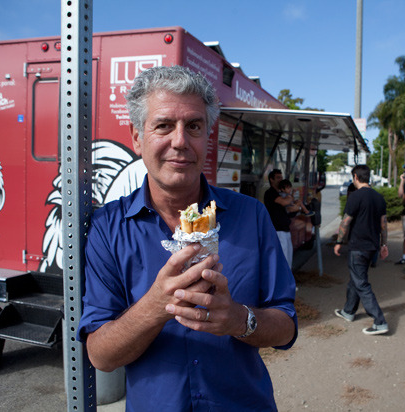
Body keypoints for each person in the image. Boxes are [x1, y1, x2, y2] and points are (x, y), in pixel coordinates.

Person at [78, 66, 297, 411]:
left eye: (193, 126)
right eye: (164, 125)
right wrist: (154, 306)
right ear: (136, 137)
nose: (180, 141)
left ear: (207, 137)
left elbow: (285, 327)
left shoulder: (250, 216)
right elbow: (101, 356)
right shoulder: (108, 227)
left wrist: (239, 320)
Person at [333, 165, 390, 335]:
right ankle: (348, 311)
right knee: (356, 278)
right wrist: (384, 244)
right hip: (372, 247)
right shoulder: (379, 197)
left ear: (356, 177)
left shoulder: (355, 197)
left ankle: (380, 321)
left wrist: (339, 241)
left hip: (358, 246)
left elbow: (345, 222)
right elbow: (384, 224)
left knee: (361, 283)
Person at [264, 169, 296, 269]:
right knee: (283, 258)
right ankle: (283, 283)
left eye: (281, 177)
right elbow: (284, 203)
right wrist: (290, 197)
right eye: (278, 178)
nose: (280, 180)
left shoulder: (281, 194)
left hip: (285, 228)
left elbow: (290, 208)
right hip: (277, 230)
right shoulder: (270, 193)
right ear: (271, 179)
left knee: (289, 257)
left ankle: (289, 283)